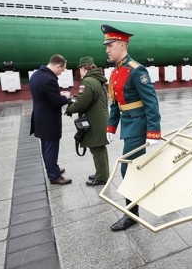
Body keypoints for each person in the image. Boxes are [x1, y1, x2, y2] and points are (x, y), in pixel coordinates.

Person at [101, 24, 162, 232]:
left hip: (138, 125)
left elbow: (151, 102)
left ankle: (131, 214)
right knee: (136, 167)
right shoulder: (116, 72)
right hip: (128, 124)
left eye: (110, 45)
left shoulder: (137, 70)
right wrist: (111, 127)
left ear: (121, 45)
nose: (107, 49)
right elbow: (115, 103)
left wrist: (154, 132)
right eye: (106, 46)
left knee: (129, 169)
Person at [65, 56, 110, 186]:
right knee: (100, 148)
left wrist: (70, 110)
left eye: (80, 69)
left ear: (84, 68)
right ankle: (102, 173)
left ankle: (101, 177)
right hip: (100, 118)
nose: (79, 72)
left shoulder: (87, 81)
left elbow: (82, 102)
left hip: (94, 120)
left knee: (97, 149)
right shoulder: (97, 79)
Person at [30, 54, 73, 185]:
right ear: (58, 65)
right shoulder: (50, 79)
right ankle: (54, 176)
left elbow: (45, 95)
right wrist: (66, 97)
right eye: (62, 69)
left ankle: (52, 168)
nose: (61, 72)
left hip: (39, 117)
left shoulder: (36, 75)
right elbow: (56, 102)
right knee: (51, 148)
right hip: (49, 120)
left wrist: (57, 94)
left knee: (45, 146)